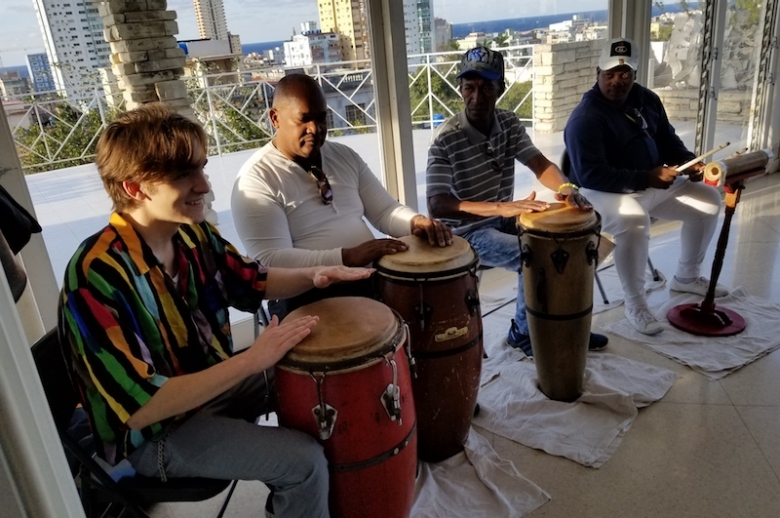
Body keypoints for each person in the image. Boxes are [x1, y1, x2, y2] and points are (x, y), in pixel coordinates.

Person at [59, 104, 374, 518]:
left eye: (202, 168)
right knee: (302, 462)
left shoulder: (193, 234)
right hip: (157, 434)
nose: (204, 185)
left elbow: (249, 280)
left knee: (322, 374)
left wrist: (320, 274)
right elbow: (141, 409)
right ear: (134, 188)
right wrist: (253, 360)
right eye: (184, 175)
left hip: (209, 389)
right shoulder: (95, 275)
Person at [426, 46, 609, 357]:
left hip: (504, 219)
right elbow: (437, 204)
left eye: (486, 87)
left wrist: (566, 187)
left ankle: (566, 325)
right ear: (460, 89)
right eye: (469, 87)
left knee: (572, 244)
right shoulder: (446, 139)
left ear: (501, 88)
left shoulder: (508, 123)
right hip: (466, 232)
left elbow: (538, 164)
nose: (477, 96)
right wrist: (501, 207)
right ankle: (523, 334)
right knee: (536, 255)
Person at [231, 73, 451, 318]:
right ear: (275, 119)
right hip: (305, 297)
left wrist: (415, 222)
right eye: (304, 119)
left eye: (322, 118)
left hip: (366, 279)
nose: (315, 129)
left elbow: (385, 211)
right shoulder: (255, 180)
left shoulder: (344, 156)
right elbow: (270, 262)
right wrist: (347, 257)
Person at [564, 37, 726, 335]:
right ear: (597, 73)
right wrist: (646, 178)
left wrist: (689, 162)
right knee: (633, 222)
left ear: (635, 74)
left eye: (624, 74)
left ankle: (687, 277)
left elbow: (667, 140)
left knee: (709, 199)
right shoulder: (586, 118)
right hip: (602, 192)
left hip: (651, 182)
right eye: (609, 74)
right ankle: (635, 304)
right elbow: (590, 175)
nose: (617, 81)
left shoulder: (647, 98)